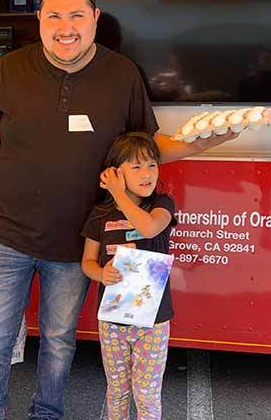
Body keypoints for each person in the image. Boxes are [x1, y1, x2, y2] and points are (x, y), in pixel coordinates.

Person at [0, 0, 233, 420]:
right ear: (39, 19)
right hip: (6, 236)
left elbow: (145, 148)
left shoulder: (121, 74)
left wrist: (198, 144)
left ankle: (46, 415)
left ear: (94, 18)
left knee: (57, 340)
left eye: (75, 16)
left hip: (78, 243)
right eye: (53, 16)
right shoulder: (10, 69)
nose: (64, 27)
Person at [81, 133, 177, 420]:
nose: (147, 174)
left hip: (153, 320)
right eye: (136, 167)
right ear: (115, 172)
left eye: (152, 165)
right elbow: (87, 262)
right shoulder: (99, 215)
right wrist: (101, 273)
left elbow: (148, 229)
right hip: (112, 321)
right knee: (118, 390)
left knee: (146, 393)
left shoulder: (162, 203)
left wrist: (118, 193)